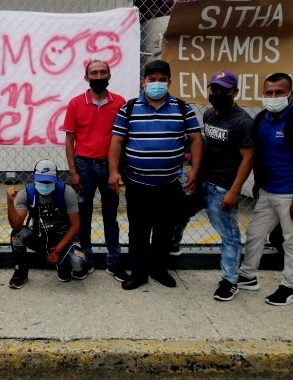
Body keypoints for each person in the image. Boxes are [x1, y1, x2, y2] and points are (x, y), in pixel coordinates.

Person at [109, 59, 203, 290]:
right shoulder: (129, 108)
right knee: (138, 230)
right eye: (152, 80)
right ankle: (139, 273)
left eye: (162, 80)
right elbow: (117, 141)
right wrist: (113, 171)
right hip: (137, 183)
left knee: (164, 229)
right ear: (144, 82)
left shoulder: (182, 108)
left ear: (169, 81)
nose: (157, 84)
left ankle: (159, 269)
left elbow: (196, 139)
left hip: (169, 184)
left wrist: (195, 171)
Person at [172, 70, 255, 301]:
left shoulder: (243, 122)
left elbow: (248, 158)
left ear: (234, 92)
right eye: (214, 89)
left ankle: (230, 280)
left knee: (229, 235)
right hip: (201, 181)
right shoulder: (209, 114)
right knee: (178, 214)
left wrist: (234, 191)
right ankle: (173, 245)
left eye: (224, 90)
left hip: (222, 187)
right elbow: (207, 146)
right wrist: (194, 170)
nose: (217, 94)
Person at [238, 73, 293, 306]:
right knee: (254, 234)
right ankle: (247, 275)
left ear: (291, 94)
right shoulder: (263, 118)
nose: (273, 97)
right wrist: (259, 185)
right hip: (269, 190)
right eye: (269, 92)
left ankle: (290, 287)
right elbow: (261, 156)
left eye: (279, 93)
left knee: (292, 241)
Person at [60, 60, 127, 280]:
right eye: (94, 73)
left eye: (102, 72)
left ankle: (114, 261)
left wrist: (118, 171)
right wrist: (73, 172)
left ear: (109, 75)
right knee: (83, 215)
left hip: (110, 166)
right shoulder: (75, 103)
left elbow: (123, 139)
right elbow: (70, 140)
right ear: (86, 77)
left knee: (110, 215)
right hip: (84, 165)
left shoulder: (120, 102)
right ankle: (85, 259)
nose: (98, 76)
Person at [7, 159, 86, 288]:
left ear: (56, 178)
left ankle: (62, 263)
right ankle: (21, 270)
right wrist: (10, 202)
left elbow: (76, 225)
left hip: (63, 240)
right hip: (40, 238)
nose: (44, 184)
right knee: (18, 235)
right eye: (41, 181)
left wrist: (58, 250)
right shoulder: (27, 194)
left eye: (49, 181)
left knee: (79, 263)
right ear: (33, 177)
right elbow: (16, 226)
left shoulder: (67, 192)